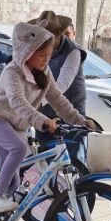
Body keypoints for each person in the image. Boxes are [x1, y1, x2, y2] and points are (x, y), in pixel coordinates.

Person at [0, 22, 92, 221]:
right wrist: (41, 121)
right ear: (26, 52)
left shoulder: (44, 73)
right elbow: (18, 103)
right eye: (41, 54)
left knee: (16, 184)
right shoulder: (12, 72)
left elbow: (59, 101)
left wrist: (81, 120)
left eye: (49, 55)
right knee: (18, 149)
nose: (46, 59)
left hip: (13, 125)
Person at [30, 11, 87, 161]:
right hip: (45, 112)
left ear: (59, 35)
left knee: (73, 159)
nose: (43, 43)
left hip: (70, 108)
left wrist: (36, 103)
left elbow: (61, 85)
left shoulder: (73, 52)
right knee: (46, 160)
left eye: (48, 38)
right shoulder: (36, 50)